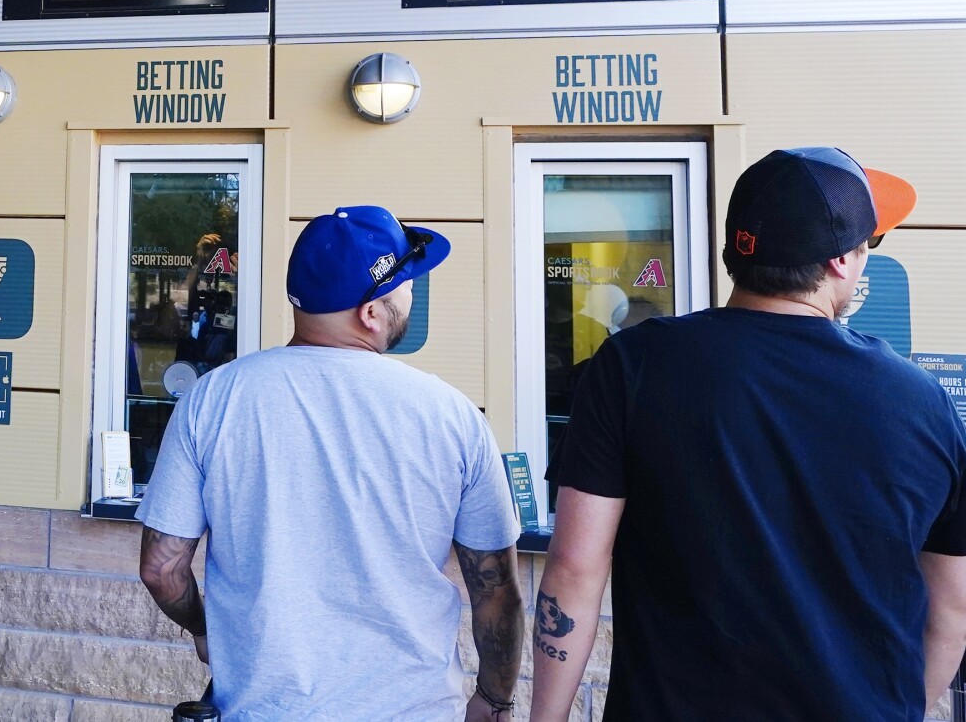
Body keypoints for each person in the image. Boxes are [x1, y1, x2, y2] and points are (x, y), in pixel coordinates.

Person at [533, 147, 966, 720]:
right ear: (840, 259)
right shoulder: (922, 402)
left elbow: (574, 570)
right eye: (868, 245)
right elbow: (953, 608)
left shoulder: (632, 366)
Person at [138, 206, 525, 721]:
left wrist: (205, 630)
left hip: (262, 709)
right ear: (370, 313)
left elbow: (162, 570)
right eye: (406, 283)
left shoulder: (213, 400)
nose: (412, 292)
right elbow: (497, 593)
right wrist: (496, 699)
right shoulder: (452, 416)